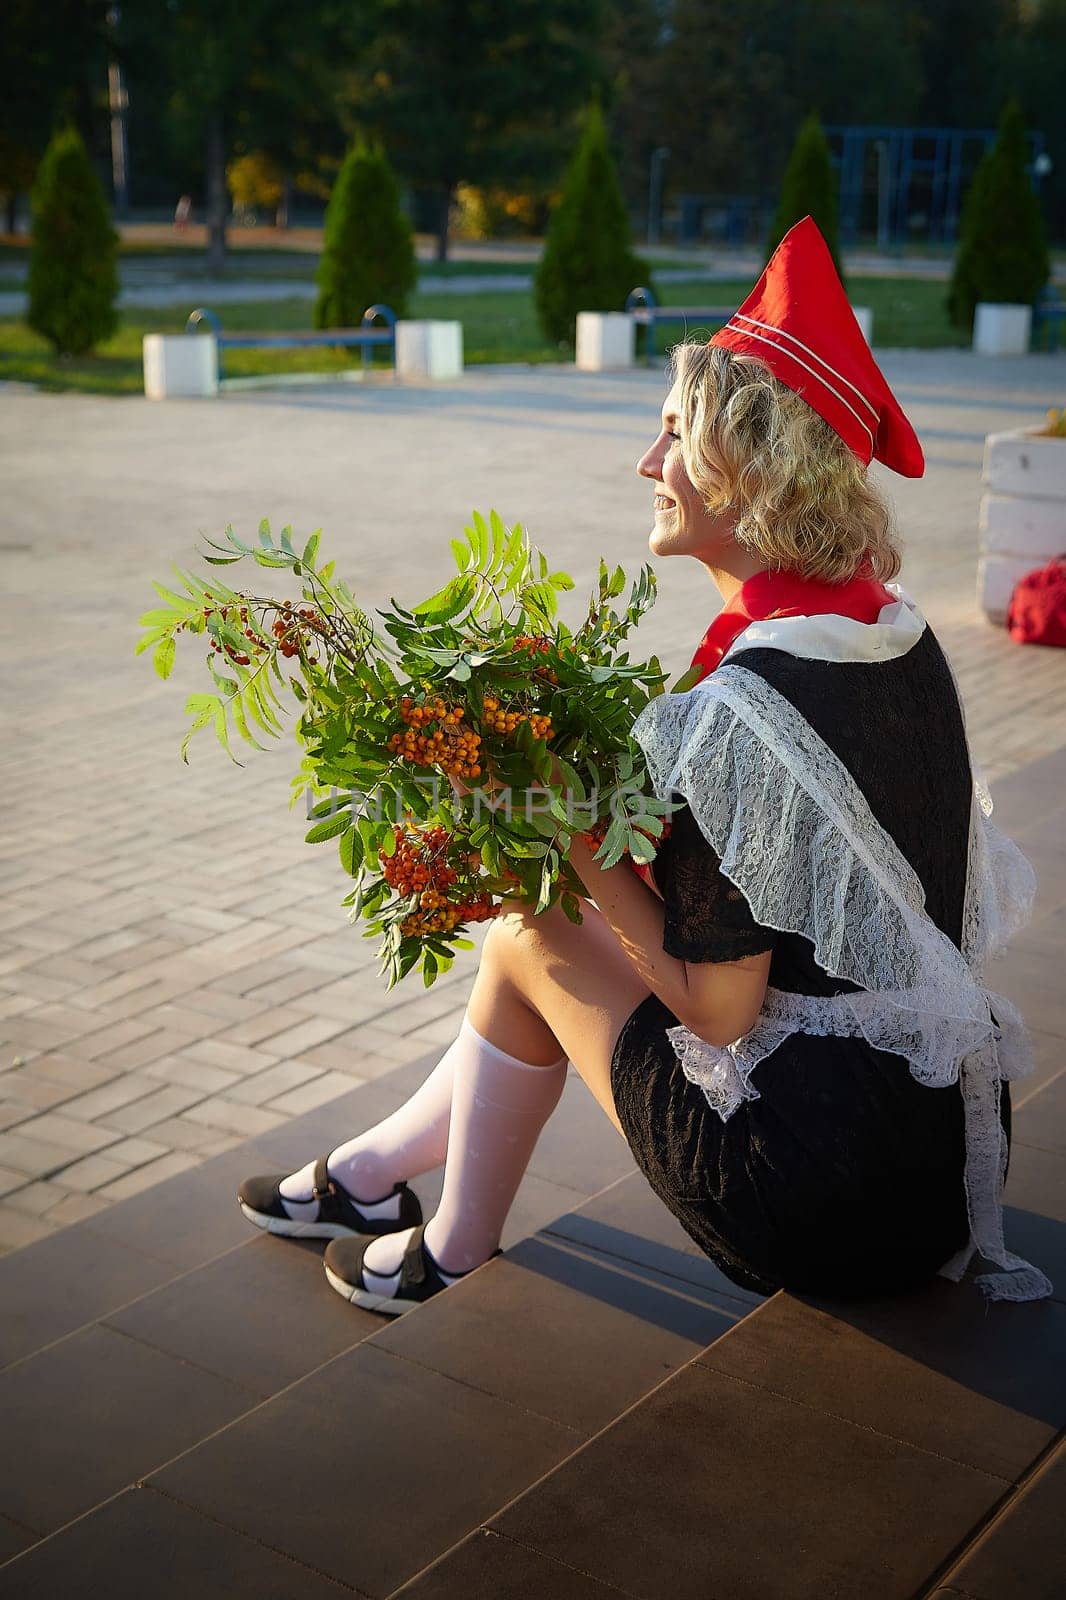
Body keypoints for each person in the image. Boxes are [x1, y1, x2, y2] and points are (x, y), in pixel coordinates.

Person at [237, 217, 1051, 1312]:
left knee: (531, 929)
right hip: (940, 1151)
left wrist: (565, 831)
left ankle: (450, 1243)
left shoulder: (739, 707)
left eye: (676, 436)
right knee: (545, 925)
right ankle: (381, 1176)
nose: (647, 462)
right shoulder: (889, 631)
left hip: (819, 1198)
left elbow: (717, 1013)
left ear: (753, 471)